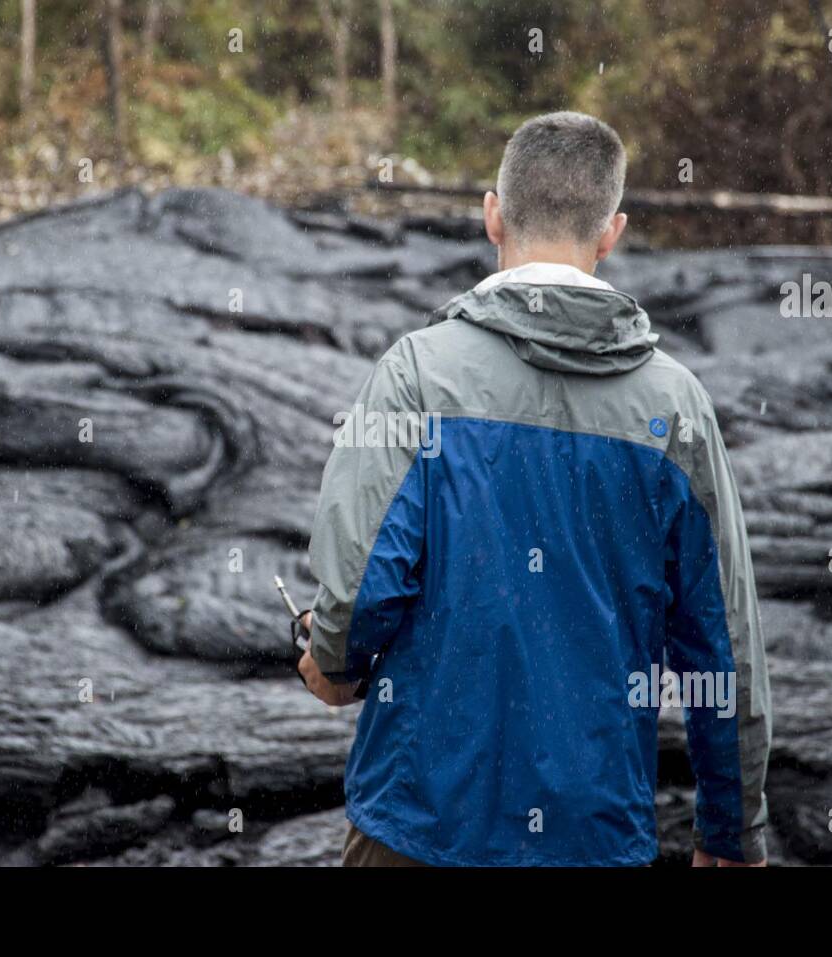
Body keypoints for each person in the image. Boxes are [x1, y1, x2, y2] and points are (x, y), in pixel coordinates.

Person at [297, 111, 771, 867]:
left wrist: (335, 660)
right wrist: (732, 828)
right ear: (611, 232)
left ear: (493, 213)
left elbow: (359, 584)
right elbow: (723, 645)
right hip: (594, 833)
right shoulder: (677, 408)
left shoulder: (417, 372)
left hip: (417, 825)